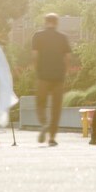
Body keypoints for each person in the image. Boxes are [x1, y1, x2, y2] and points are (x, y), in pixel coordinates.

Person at [31, 13, 72, 146]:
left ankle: (44, 124)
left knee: (40, 103)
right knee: (56, 108)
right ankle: (52, 138)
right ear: (57, 23)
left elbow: (35, 56)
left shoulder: (38, 36)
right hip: (58, 77)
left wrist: (37, 71)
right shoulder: (63, 37)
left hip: (43, 76)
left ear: (45, 22)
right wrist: (65, 73)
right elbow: (67, 58)